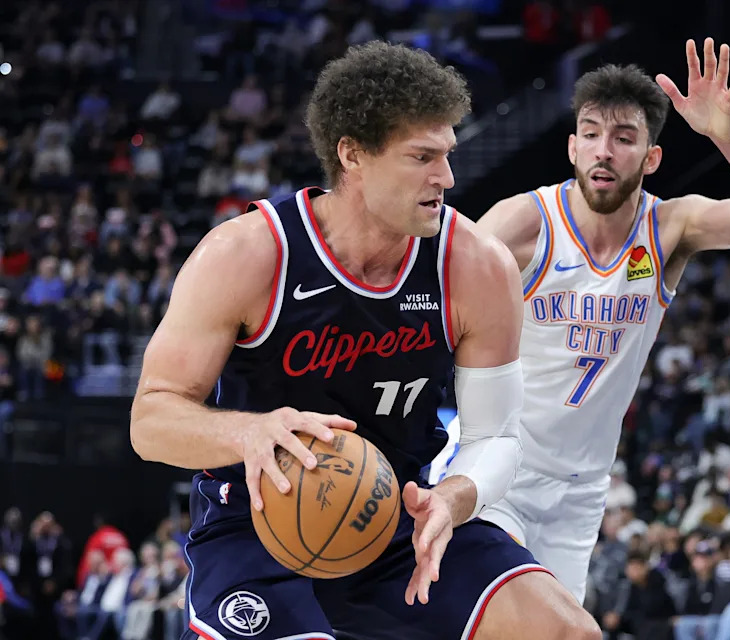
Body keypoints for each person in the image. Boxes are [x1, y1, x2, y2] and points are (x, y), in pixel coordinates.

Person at [130, 42, 600, 640]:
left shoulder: (475, 265)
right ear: (352, 154)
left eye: (448, 154)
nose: (447, 177)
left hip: (398, 522)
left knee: (568, 632)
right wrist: (250, 431)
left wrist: (455, 497)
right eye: (422, 157)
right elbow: (149, 421)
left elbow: (497, 436)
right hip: (260, 527)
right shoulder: (248, 253)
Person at [441, 37, 730, 601]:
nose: (604, 150)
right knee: (507, 617)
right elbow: (430, 292)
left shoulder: (670, 228)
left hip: (583, 490)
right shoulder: (525, 221)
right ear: (572, 148)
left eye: (623, 137)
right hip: (500, 468)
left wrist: (728, 137)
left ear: (651, 158)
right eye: (591, 134)